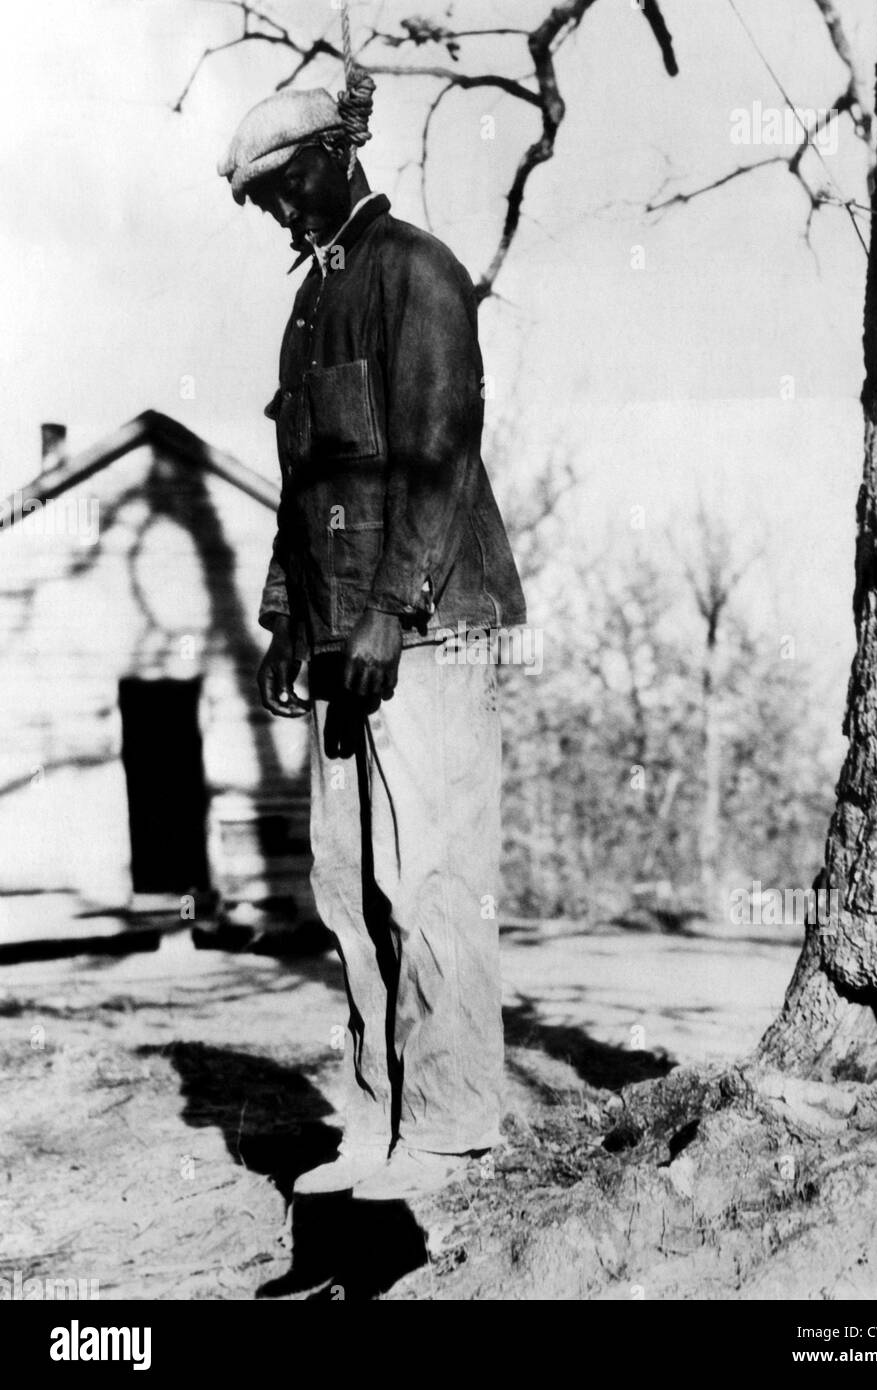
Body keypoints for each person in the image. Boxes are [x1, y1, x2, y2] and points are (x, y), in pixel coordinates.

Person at [218, 76, 526, 1201]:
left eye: (282, 184)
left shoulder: (417, 273)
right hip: (343, 641)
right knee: (346, 885)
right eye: (257, 200)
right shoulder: (308, 310)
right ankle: (376, 1118)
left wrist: (394, 610)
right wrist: (288, 619)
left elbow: (438, 455)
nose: (274, 210)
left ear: (337, 155)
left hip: (428, 631)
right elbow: (305, 486)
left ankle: (450, 1132)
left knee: (429, 877)